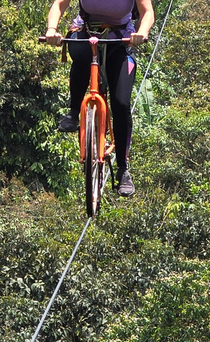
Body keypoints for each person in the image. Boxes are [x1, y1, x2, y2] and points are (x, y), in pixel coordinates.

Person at [45, 0, 155, 197]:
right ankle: (73, 112)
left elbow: (147, 12)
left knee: (121, 103)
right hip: (87, 31)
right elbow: (59, 4)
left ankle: (123, 169)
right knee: (80, 54)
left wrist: (142, 32)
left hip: (121, 39)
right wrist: (52, 30)